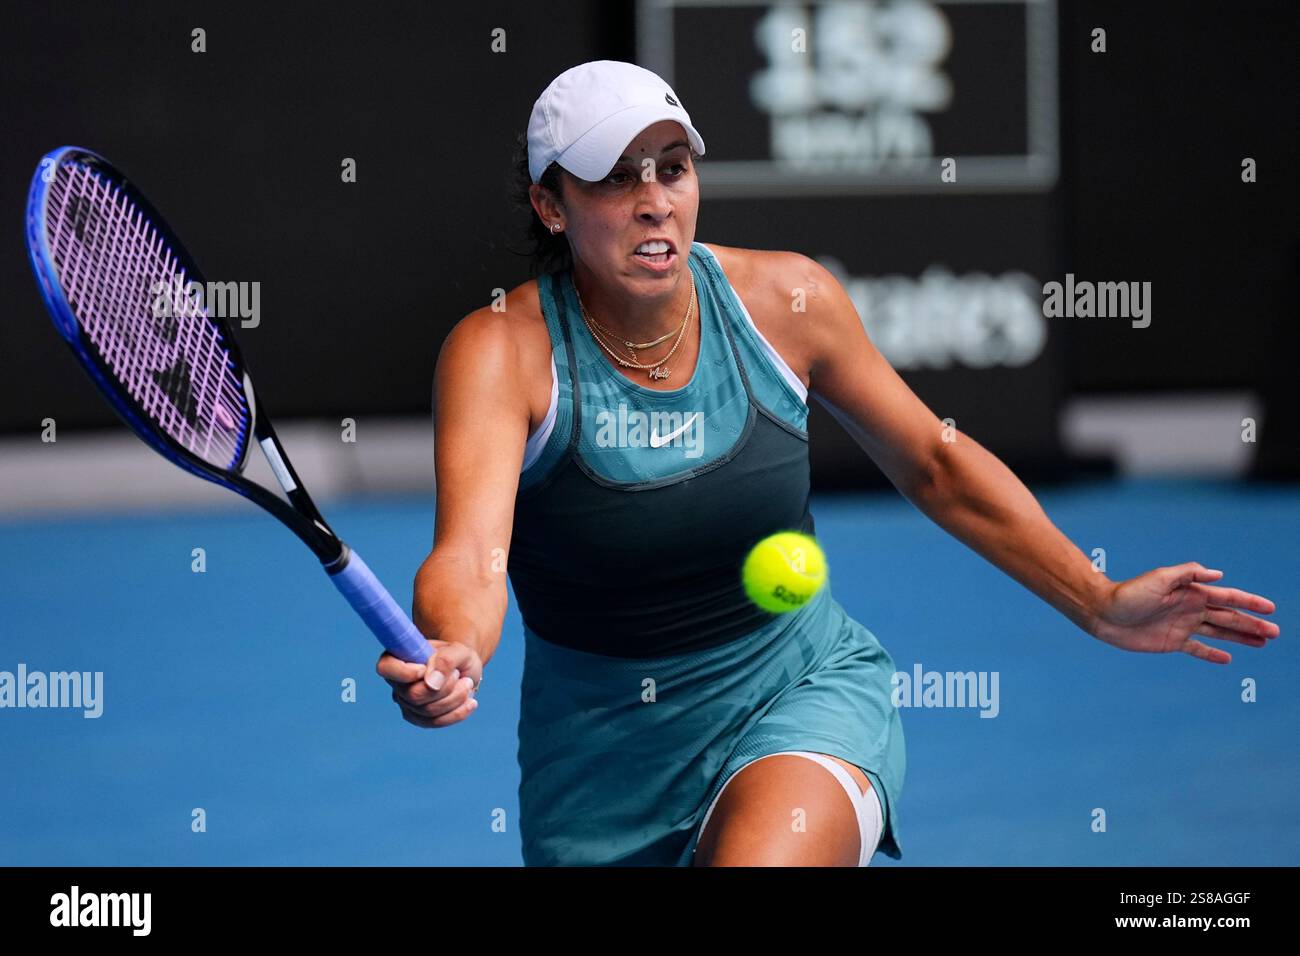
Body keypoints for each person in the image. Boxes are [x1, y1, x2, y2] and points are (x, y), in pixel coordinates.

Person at [377, 60, 1280, 866]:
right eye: (616, 179)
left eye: (672, 168)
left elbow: (934, 460)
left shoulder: (787, 301)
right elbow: (471, 554)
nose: (655, 200)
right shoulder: (499, 350)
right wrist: (455, 645)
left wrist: (1097, 597)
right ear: (550, 204)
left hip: (798, 691)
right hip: (597, 758)